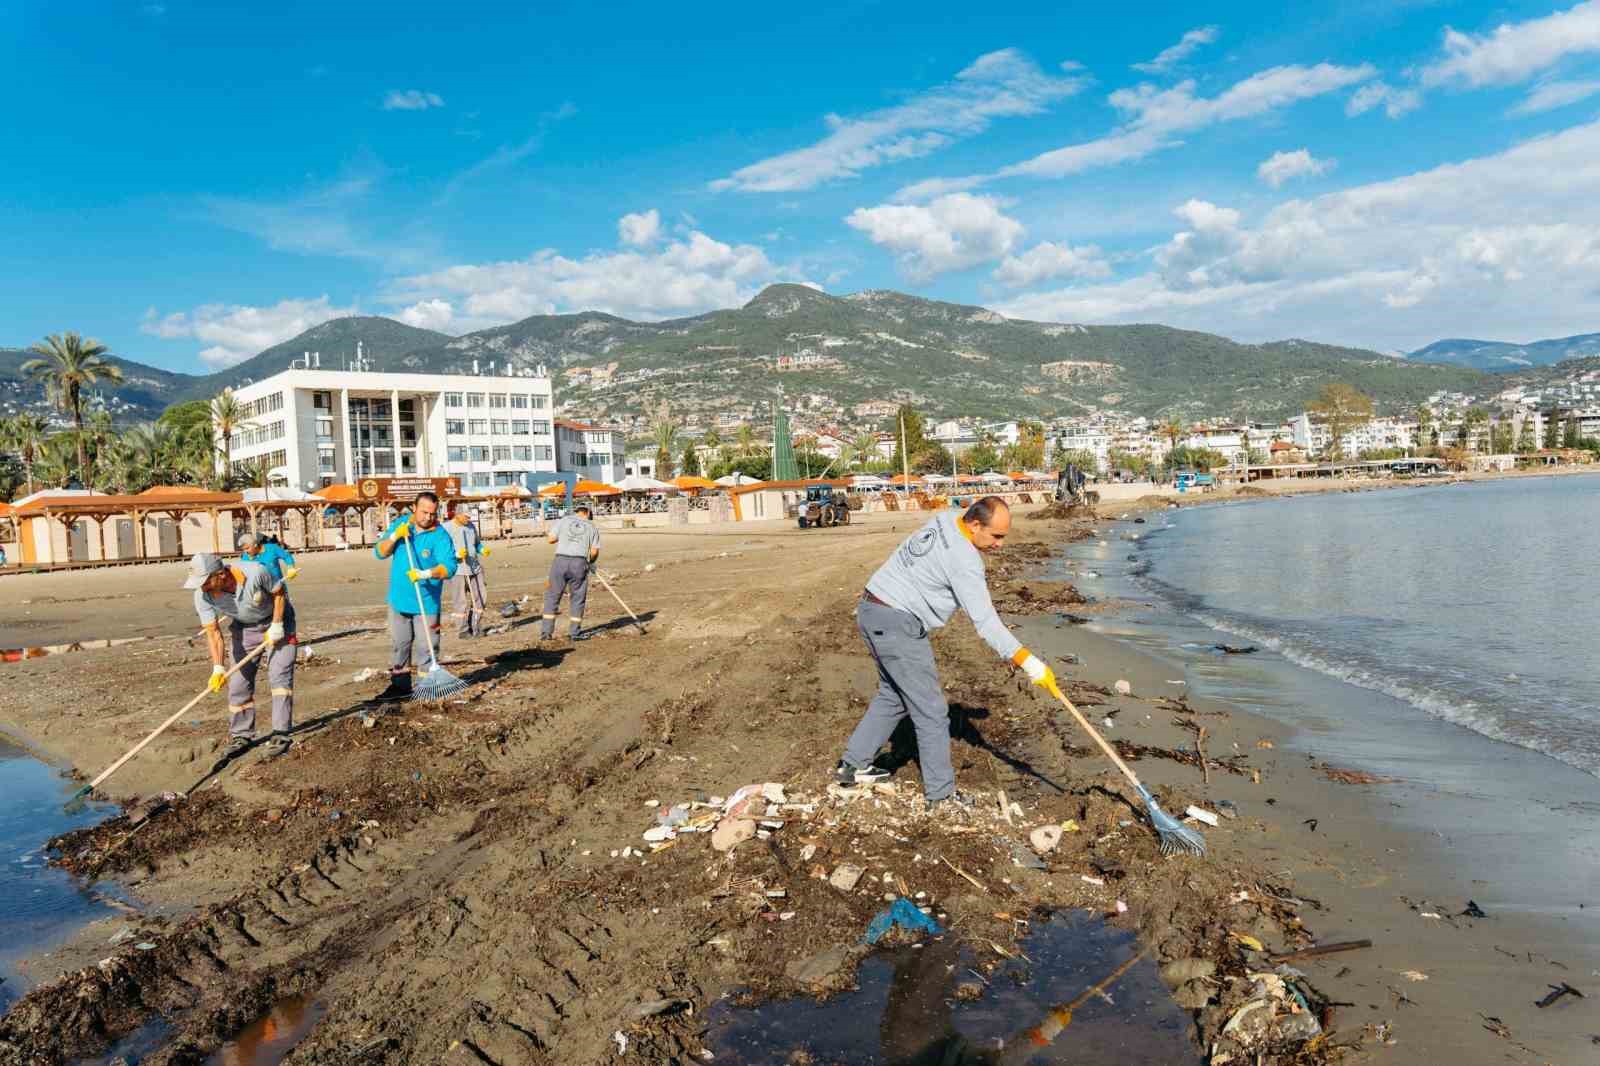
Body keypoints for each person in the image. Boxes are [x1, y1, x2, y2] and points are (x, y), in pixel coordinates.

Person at [835, 496, 1055, 812]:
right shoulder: (965, 562)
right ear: (975, 524)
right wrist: (1029, 662)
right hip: (897, 621)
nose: (1000, 545)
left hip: (872, 608)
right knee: (932, 712)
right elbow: (986, 623)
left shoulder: (949, 518)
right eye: (996, 536)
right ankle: (941, 796)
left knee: (894, 695)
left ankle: (852, 767)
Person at [184, 552, 295, 759]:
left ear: (220, 574)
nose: (203, 587)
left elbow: (279, 593)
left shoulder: (256, 572)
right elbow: (213, 632)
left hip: (278, 622)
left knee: (279, 678)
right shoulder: (202, 595)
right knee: (238, 684)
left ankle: (281, 732)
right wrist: (218, 667)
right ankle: (242, 735)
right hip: (243, 629)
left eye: (206, 582)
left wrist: (277, 625)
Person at [373, 492, 458, 699]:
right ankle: (399, 686)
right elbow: (380, 552)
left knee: (427, 647)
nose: (428, 517)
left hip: (426, 603)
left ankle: (426, 688)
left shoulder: (440, 535)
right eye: (424, 512)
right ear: (414, 508)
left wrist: (426, 573)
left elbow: (450, 567)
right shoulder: (402, 524)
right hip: (398, 600)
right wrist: (395, 536)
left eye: (432, 513)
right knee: (400, 645)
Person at [541, 504, 600, 642]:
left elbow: (550, 539)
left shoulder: (563, 520)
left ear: (577, 510)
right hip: (579, 563)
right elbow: (594, 551)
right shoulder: (592, 527)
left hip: (560, 561)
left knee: (552, 597)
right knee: (578, 598)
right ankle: (575, 633)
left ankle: (546, 633)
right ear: (588, 512)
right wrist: (591, 562)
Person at [443, 506, 490, 638]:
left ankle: (475, 625)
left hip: (475, 567)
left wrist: (482, 549)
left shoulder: (471, 527)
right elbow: (441, 552)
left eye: (470, 517)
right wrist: (456, 554)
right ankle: (463, 630)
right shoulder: (446, 528)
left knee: (481, 597)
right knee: (460, 601)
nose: (468, 519)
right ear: (457, 515)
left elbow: (477, 544)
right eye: (466, 516)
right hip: (458, 570)